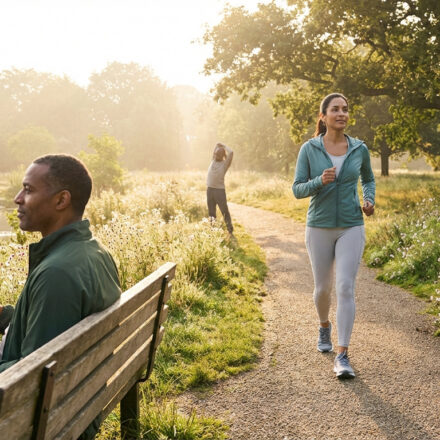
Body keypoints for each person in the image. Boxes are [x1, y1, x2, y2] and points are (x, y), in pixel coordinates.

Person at [0, 154, 121, 438]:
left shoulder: (56, 273)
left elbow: (30, 381)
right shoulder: (94, 252)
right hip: (80, 399)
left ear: (61, 200)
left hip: (51, 416)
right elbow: (56, 328)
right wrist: (7, 316)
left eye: (28, 190)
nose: (18, 199)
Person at [292, 93, 375, 379]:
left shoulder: (359, 148)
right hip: (319, 226)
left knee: (344, 287)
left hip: (352, 224)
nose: (342, 113)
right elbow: (297, 189)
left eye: (345, 109)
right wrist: (319, 181)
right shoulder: (309, 149)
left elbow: (369, 179)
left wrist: (369, 200)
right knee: (323, 289)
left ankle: (342, 354)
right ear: (323, 116)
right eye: (335, 109)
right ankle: (324, 326)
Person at [207, 142, 234, 236]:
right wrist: (217, 145)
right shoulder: (213, 160)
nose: (215, 156)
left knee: (224, 211)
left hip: (219, 191)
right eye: (215, 154)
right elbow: (215, 150)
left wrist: (224, 146)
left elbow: (231, 152)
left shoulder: (225, 164)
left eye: (218, 155)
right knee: (211, 212)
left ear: (222, 156)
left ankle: (230, 230)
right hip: (209, 190)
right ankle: (212, 230)